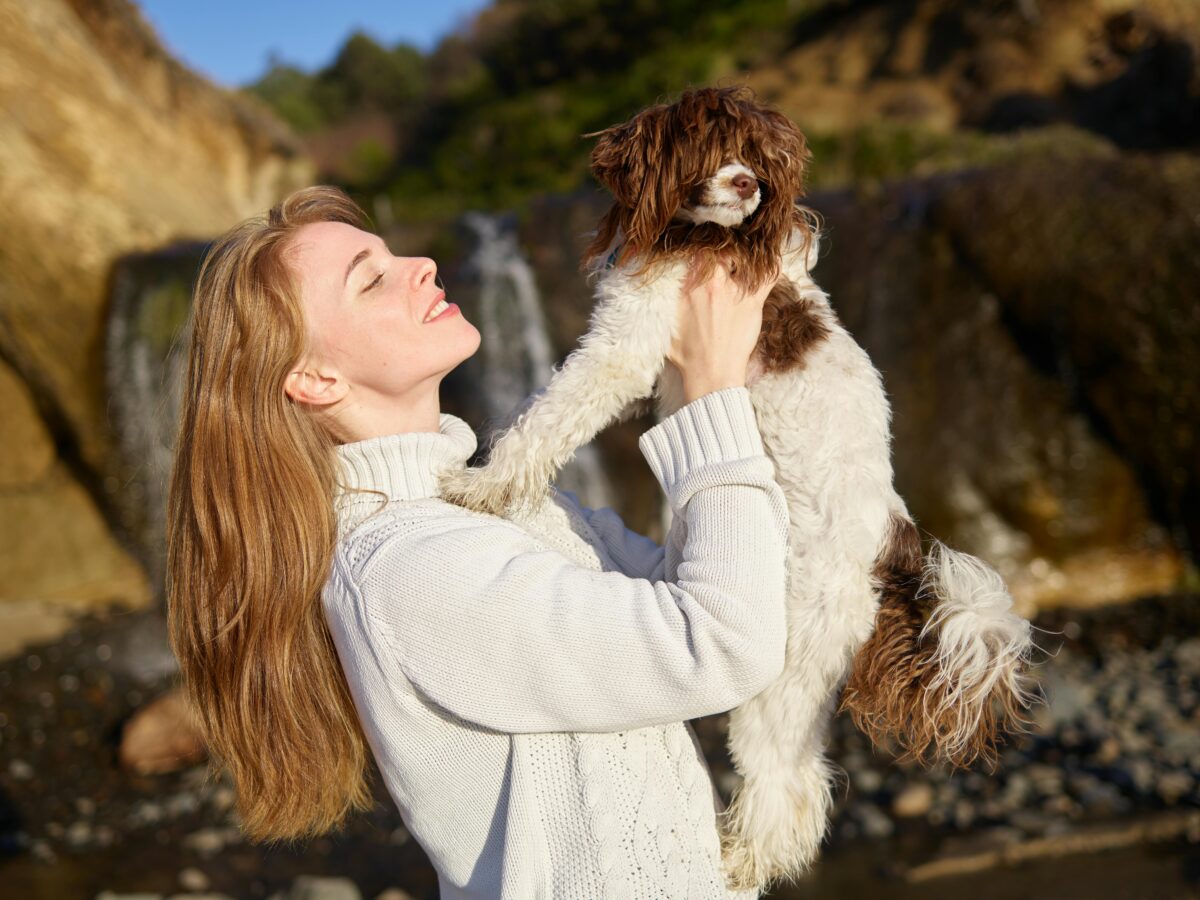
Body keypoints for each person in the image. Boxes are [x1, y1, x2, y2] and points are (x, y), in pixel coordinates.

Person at [166, 184, 790, 899]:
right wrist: (710, 386)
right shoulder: (407, 570)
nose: (422, 264)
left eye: (392, 255)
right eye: (371, 280)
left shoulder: (486, 507)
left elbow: (714, 585)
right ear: (314, 378)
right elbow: (722, 642)